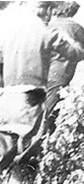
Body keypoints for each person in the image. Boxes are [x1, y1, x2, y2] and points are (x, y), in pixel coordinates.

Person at [0, 1, 84, 184]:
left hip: (6, 100)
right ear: (48, 11)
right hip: (30, 100)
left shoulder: (13, 34)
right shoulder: (49, 33)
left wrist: (2, 84)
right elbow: (75, 52)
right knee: (29, 152)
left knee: (3, 147)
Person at [46, 1, 84, 131]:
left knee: (42, 110)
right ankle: (40, 144)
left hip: (42, 73)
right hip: (60, 75)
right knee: (50, 112)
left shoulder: (48, 25)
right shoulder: (76, 28)